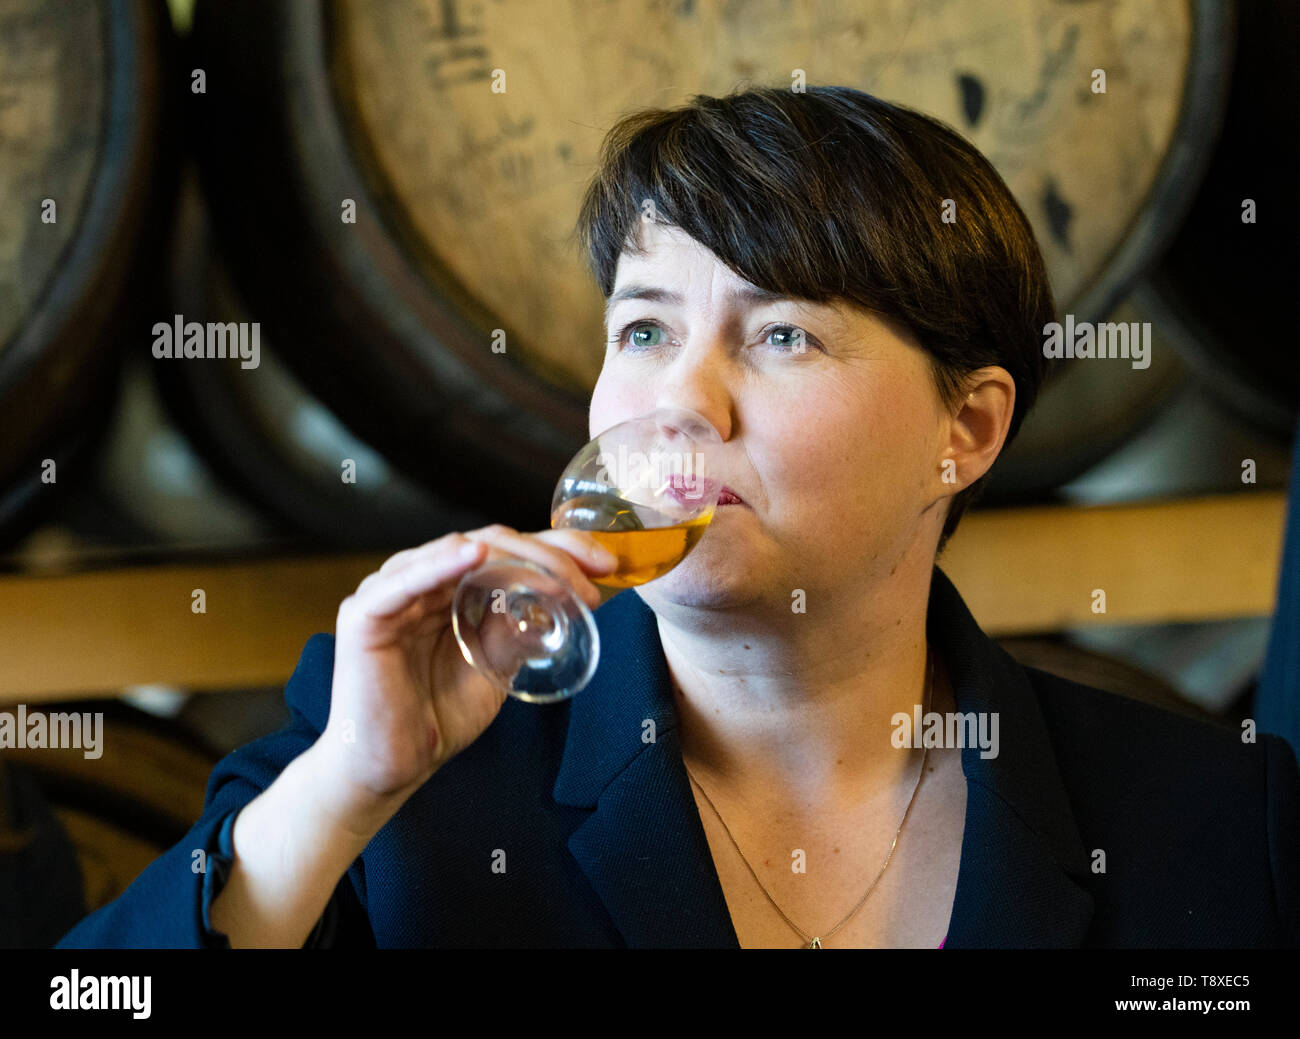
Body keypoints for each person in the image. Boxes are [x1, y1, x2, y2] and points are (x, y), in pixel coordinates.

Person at [57, 85, 1299, 949]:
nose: (677, 400)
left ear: (962, 432)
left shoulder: (1202, 815)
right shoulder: (395, 763)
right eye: (645, 327)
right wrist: (342, 790)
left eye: (780, 334)